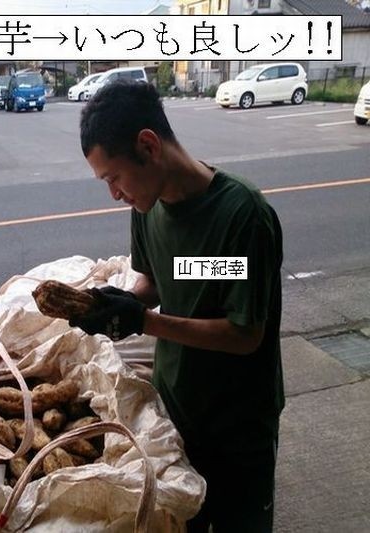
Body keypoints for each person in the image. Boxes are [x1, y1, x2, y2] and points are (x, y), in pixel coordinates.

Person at [72, 80, 284, 533]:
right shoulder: (148, 208)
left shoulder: (241, 215)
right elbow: (165, 278)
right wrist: (120, 303)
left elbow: (244, 334)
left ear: (148, 146)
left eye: (113, 178)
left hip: (238, 426)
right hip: (177, 413)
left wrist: (145, 321)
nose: (114, 193)